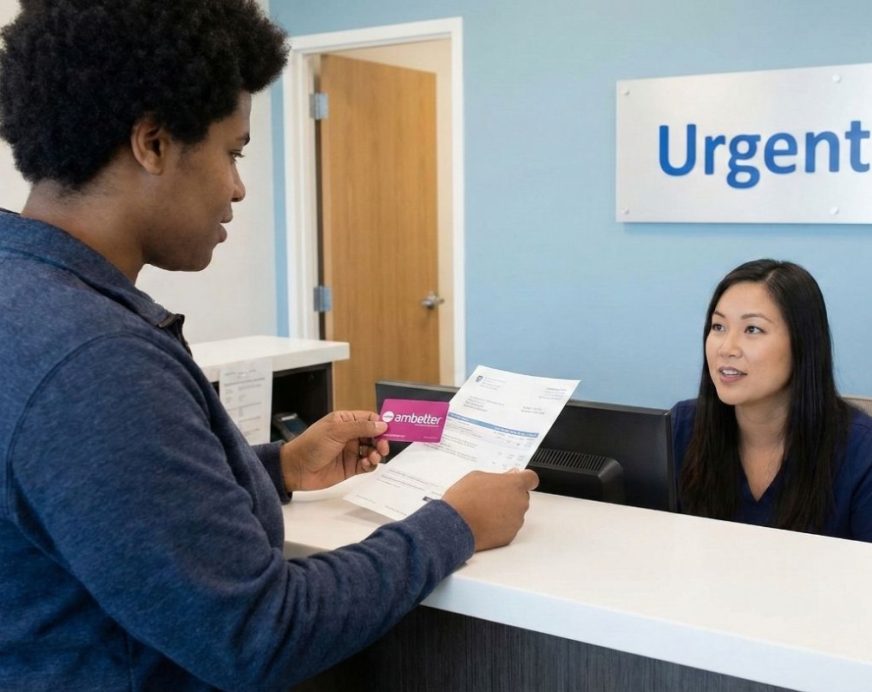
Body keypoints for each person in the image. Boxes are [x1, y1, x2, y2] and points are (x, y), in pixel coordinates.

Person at [0, 1, 538, 689]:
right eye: (232, 151)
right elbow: (257, 633)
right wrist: (454, 524)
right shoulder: (94, 359)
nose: (238, 186)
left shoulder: (26, 297)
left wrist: (279, 466)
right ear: (153, 143)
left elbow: (104, 507)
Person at [673, 259, 872, 546]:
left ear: (802, 344)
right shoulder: (682, 427)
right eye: (718, 326)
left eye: (753, 329)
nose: (726, 348)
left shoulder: (864, 447)